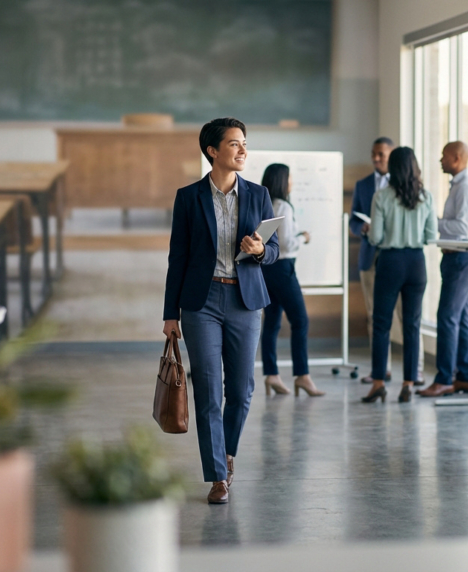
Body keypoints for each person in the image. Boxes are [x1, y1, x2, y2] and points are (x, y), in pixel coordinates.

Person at [162, 117, 280, 505]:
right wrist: (170, 315)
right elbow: (176, 259)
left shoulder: (260, 194)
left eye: (245, 143)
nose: (243, 150)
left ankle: (227, 455)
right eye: (234, 144)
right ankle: (217, 477)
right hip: (202, 303)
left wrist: (261, 251)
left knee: (242, 391)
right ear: (213, 151)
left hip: (245, 302)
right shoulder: (188, 197)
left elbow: (274, 251)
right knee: (210, 391)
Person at [362, 146, 437, 404]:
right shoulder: (426, 197)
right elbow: (431, 237)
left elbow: (376, 237)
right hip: (416, 263)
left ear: (392, 168)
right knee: (412, 325)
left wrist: (372, 229)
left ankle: (379, 383)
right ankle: (408, 383)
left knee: (381, 325)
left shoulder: (381, 196)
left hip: (390, 262)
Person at [349, 137, 424, 385]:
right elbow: (354, 221)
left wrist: (380, 230)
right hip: (390, 260)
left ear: (393, 159)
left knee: (401, 319)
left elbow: (380, 235)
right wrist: (362, 228)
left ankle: (408, 372)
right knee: (381, 317)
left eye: (382, 154)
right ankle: (394, 374)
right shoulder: (364, 185)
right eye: (374, 154)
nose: (377, 158)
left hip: (389, 259)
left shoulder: (388, 194)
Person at [418, 142, 468, 397]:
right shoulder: (458, 185)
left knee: (446, 317)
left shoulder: (466, 188)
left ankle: (444, 378)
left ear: (456, 158)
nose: (440, 161)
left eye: (444, 156)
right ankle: (466, 377)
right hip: (457, 259)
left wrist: (432, 221)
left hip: (461, 259)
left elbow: (463, 229)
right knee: (461, 318)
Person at [258, 163, 324, 398]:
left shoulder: (264, 204)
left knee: (272, 322)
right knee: (300, 321)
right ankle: (302, 376)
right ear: (282, 181)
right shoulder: (283, 205)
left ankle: (272, 374)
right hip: (283, 268)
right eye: (290, 178)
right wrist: (303, 237)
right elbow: (285, 243)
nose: (292, 182)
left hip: (266, 268)